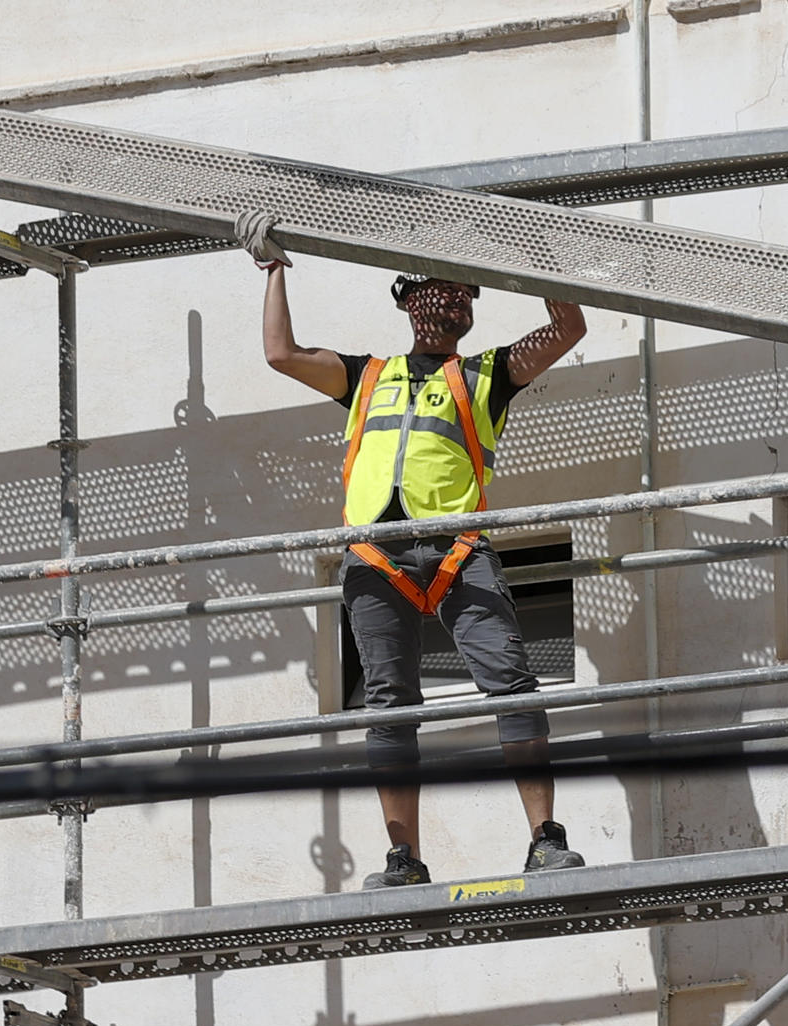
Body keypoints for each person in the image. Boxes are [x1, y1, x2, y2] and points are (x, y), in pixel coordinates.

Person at [235, 211, 590, 889]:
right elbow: (281, 354)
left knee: (512, 685)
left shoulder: (487, 374)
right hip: (376, 559)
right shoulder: (366, 376)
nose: (452, 301)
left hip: (458, 552)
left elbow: (566, 330)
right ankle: (404, 859)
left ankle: (545, 839)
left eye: (465, 294)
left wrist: (534, 252)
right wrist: (275, 269)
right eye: (439, 291)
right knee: (390, 707)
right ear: (406, 301)